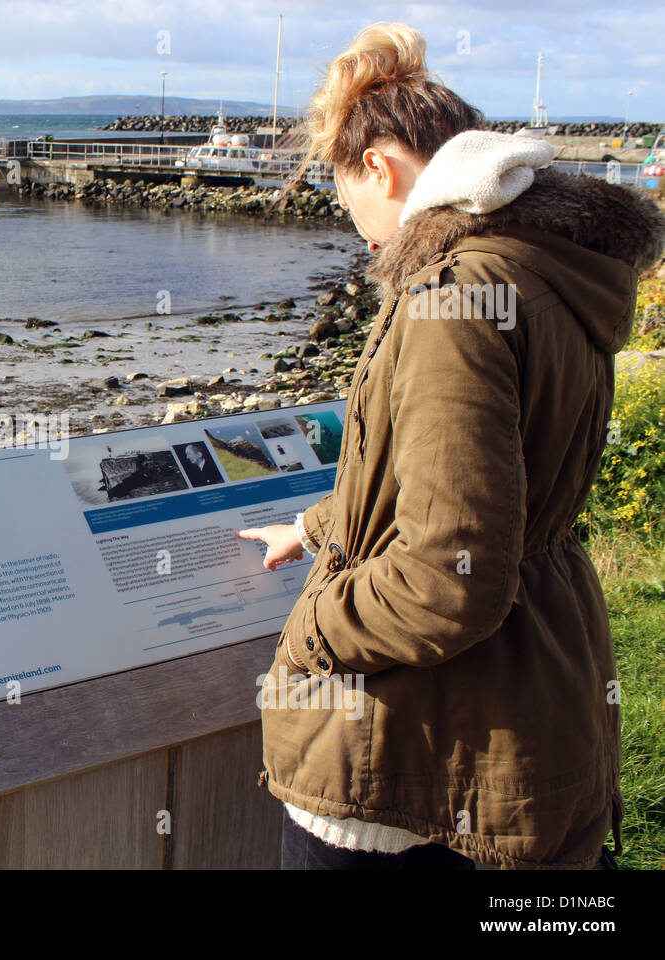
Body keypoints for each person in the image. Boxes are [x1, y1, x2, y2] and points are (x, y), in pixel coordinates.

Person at [236, 21, 665, 869]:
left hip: (419, 756)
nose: (356, 229)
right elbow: (492, 479)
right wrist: (325, 526)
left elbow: (446, 579)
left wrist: (312, 630)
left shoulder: (451, 300)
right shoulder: (547, 264)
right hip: (547, 679)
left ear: (378, 167)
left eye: (344, 196)